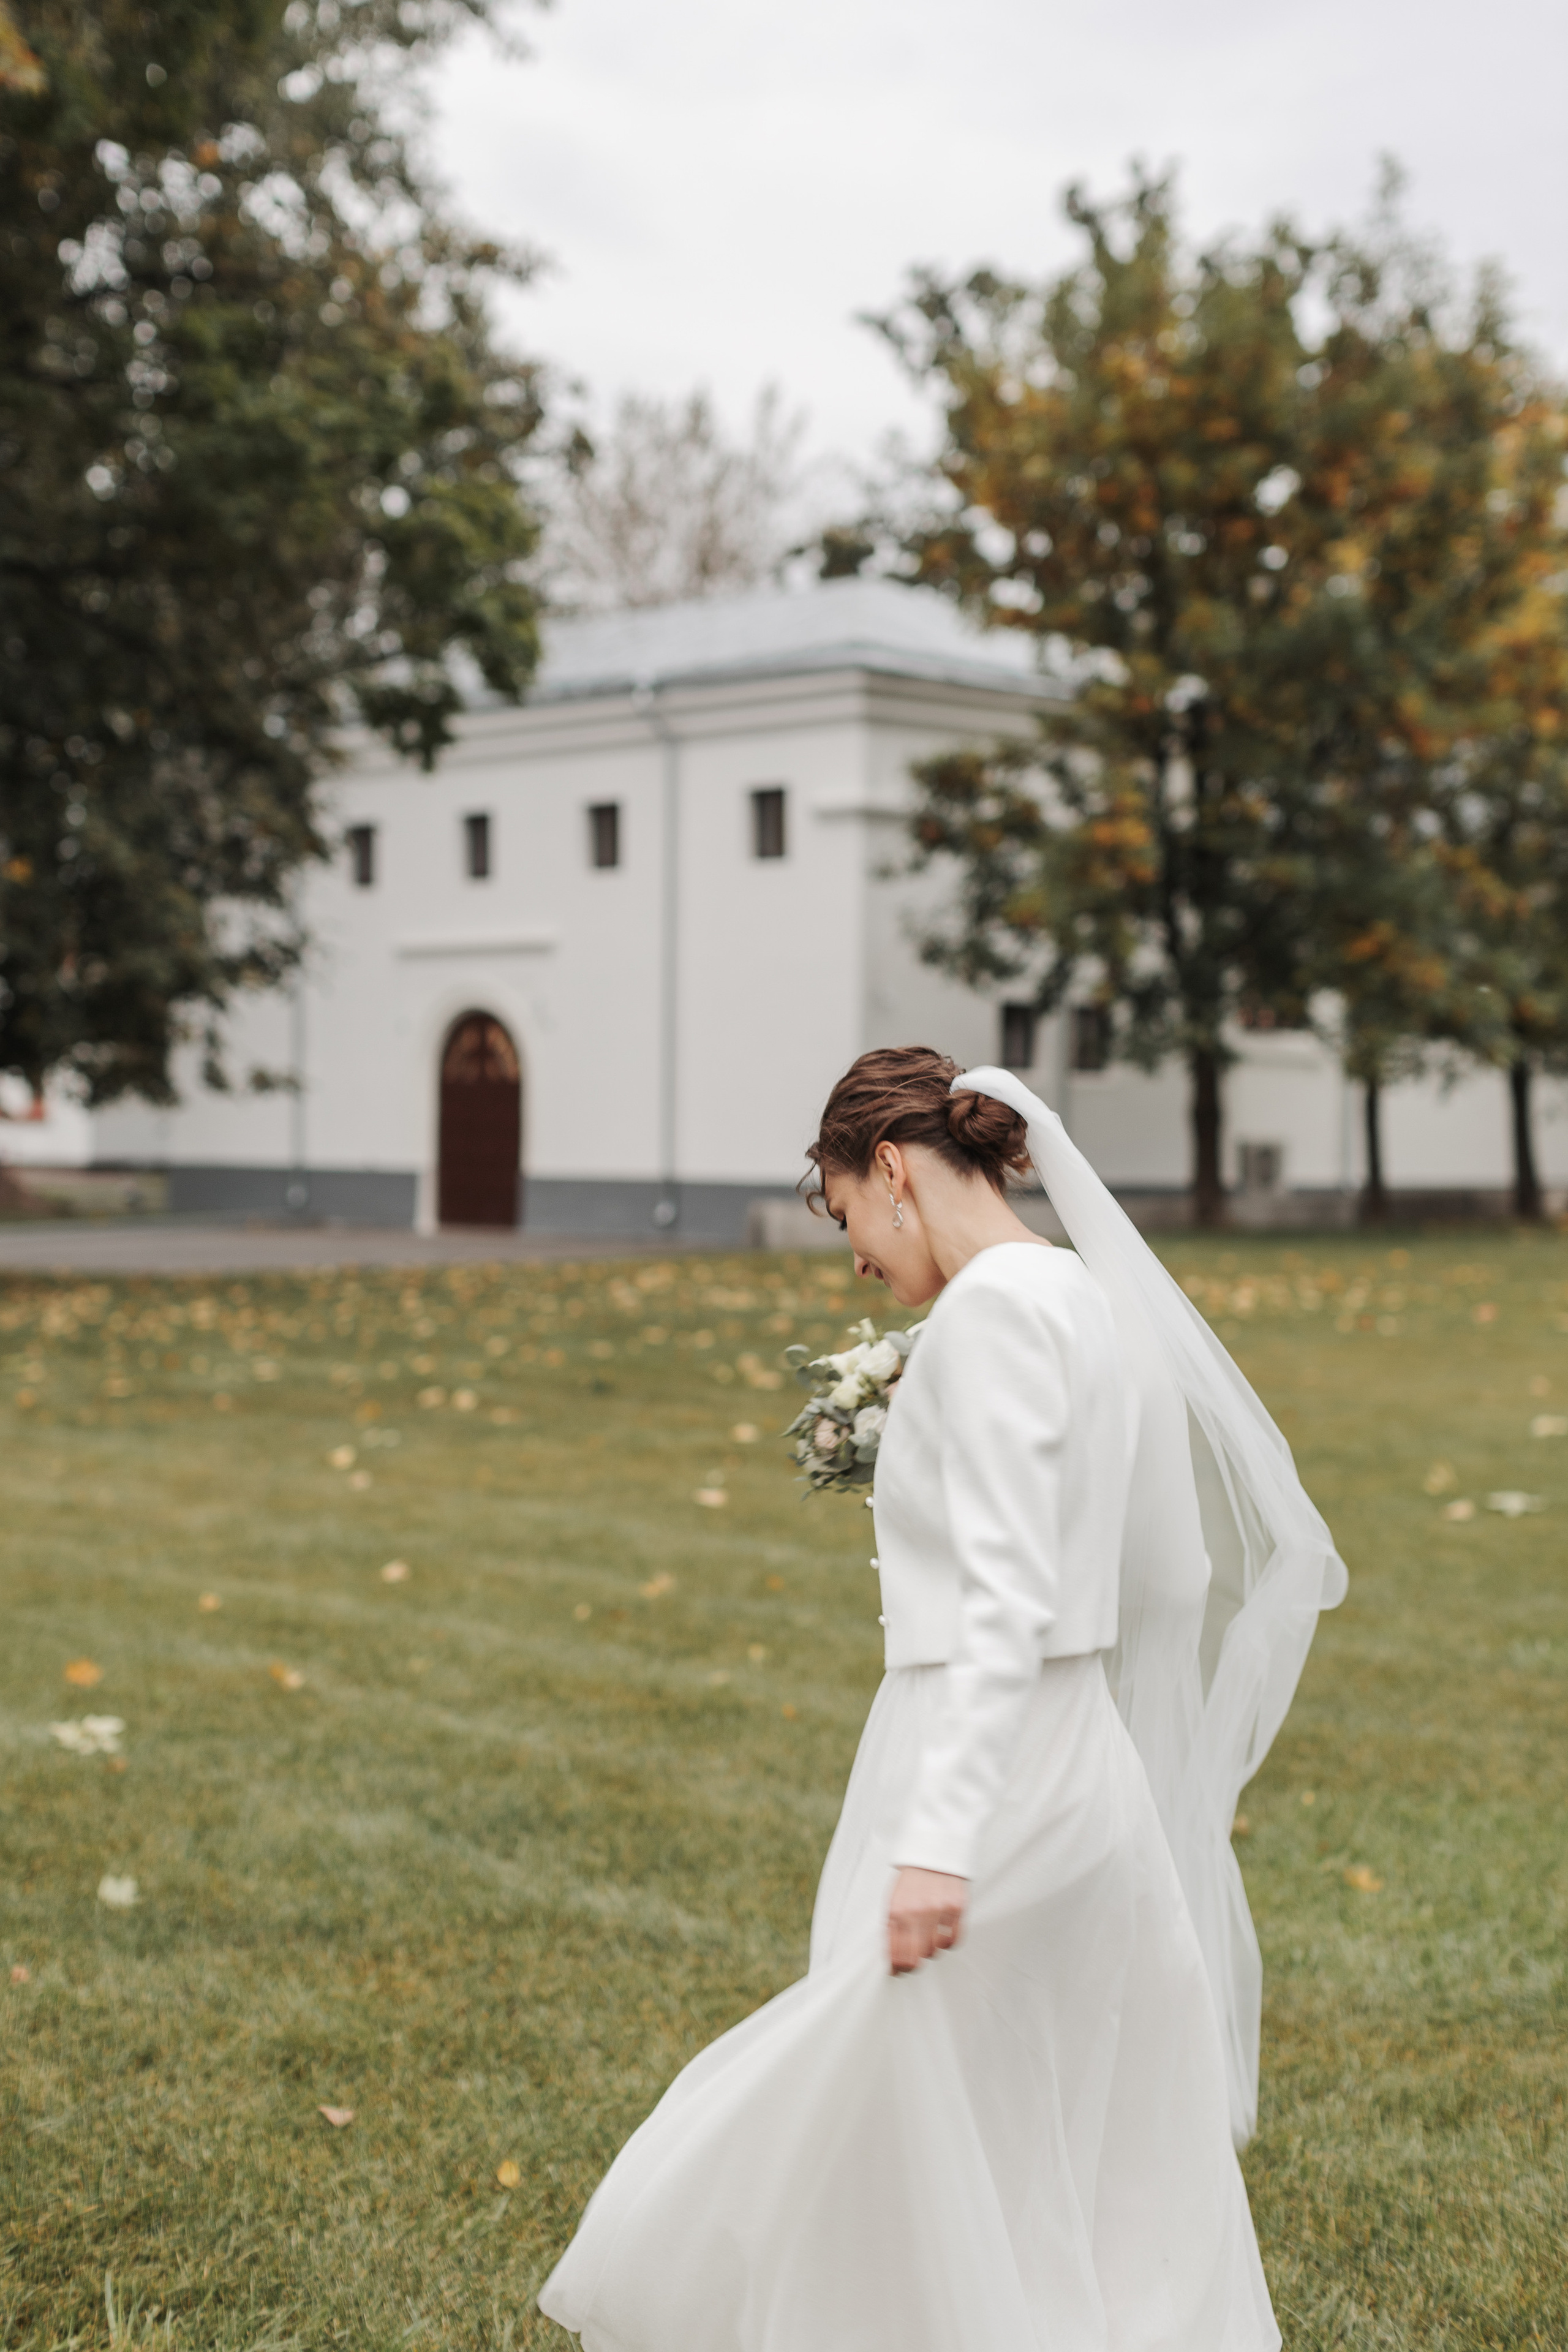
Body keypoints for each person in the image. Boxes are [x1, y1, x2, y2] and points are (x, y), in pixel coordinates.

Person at [538, 1046, 1346, 2351]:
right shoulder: (1074, 1294)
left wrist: (939, 1842)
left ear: (896, 1171)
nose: (855, 1256)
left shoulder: (997, 1316)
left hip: (994, 1763)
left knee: (856, 2114)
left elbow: (1008, 1593)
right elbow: (1120, 1552)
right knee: (1024, 2136)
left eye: (848, 1212)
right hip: (1075, 1758)